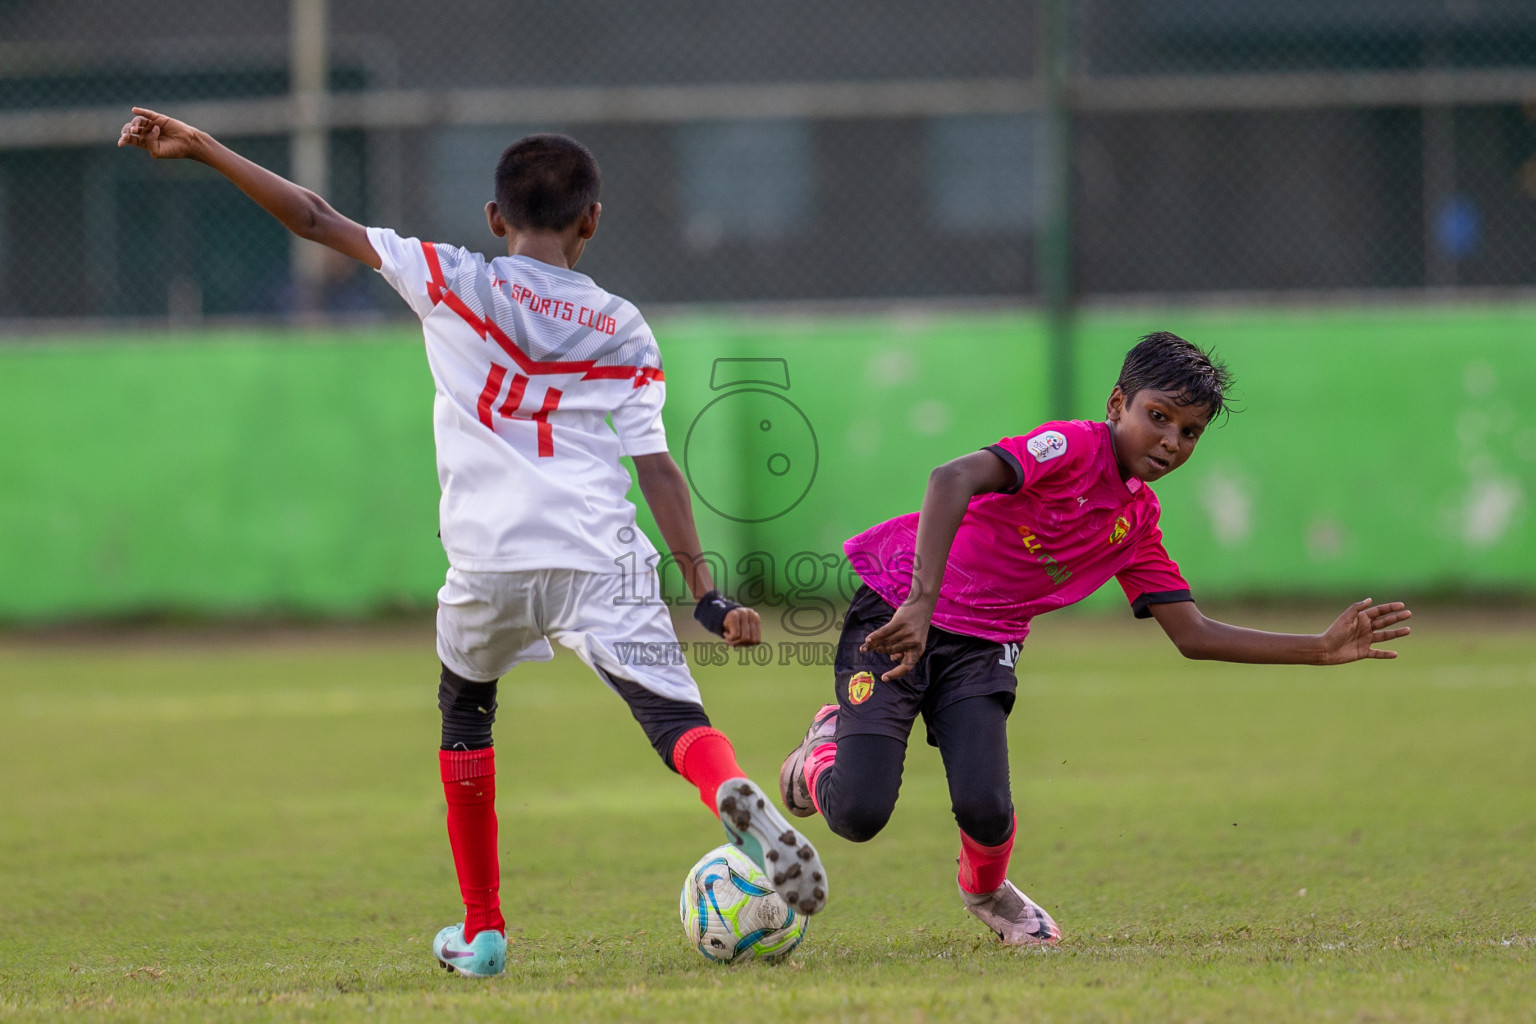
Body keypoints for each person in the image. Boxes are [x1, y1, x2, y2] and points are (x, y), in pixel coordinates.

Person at [118, 108, 827, 979]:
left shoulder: (449, 276)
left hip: (487, 562)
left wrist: (204, 148)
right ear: (591, 221)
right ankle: (724, 789)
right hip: (596, 554)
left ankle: (483, 931)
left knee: (465, 712)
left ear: (496, 218)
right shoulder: (623, 327)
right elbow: (659, 471)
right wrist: (706, 595)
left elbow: (310, 215)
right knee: (675, 719)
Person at [778, 332, 1411, 946]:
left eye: (1189, 432)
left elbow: (1191, 634)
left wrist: (1320, 649)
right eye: (1158, 417)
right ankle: (821, 752)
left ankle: (988, 895)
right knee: (859, 814)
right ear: (1116, 405)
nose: (1170, 442)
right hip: (898, 610)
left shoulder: (1136, 525)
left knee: (986, 810)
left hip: (983, 645)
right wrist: (920, 602)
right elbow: (950, 478)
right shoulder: (1070, 447)